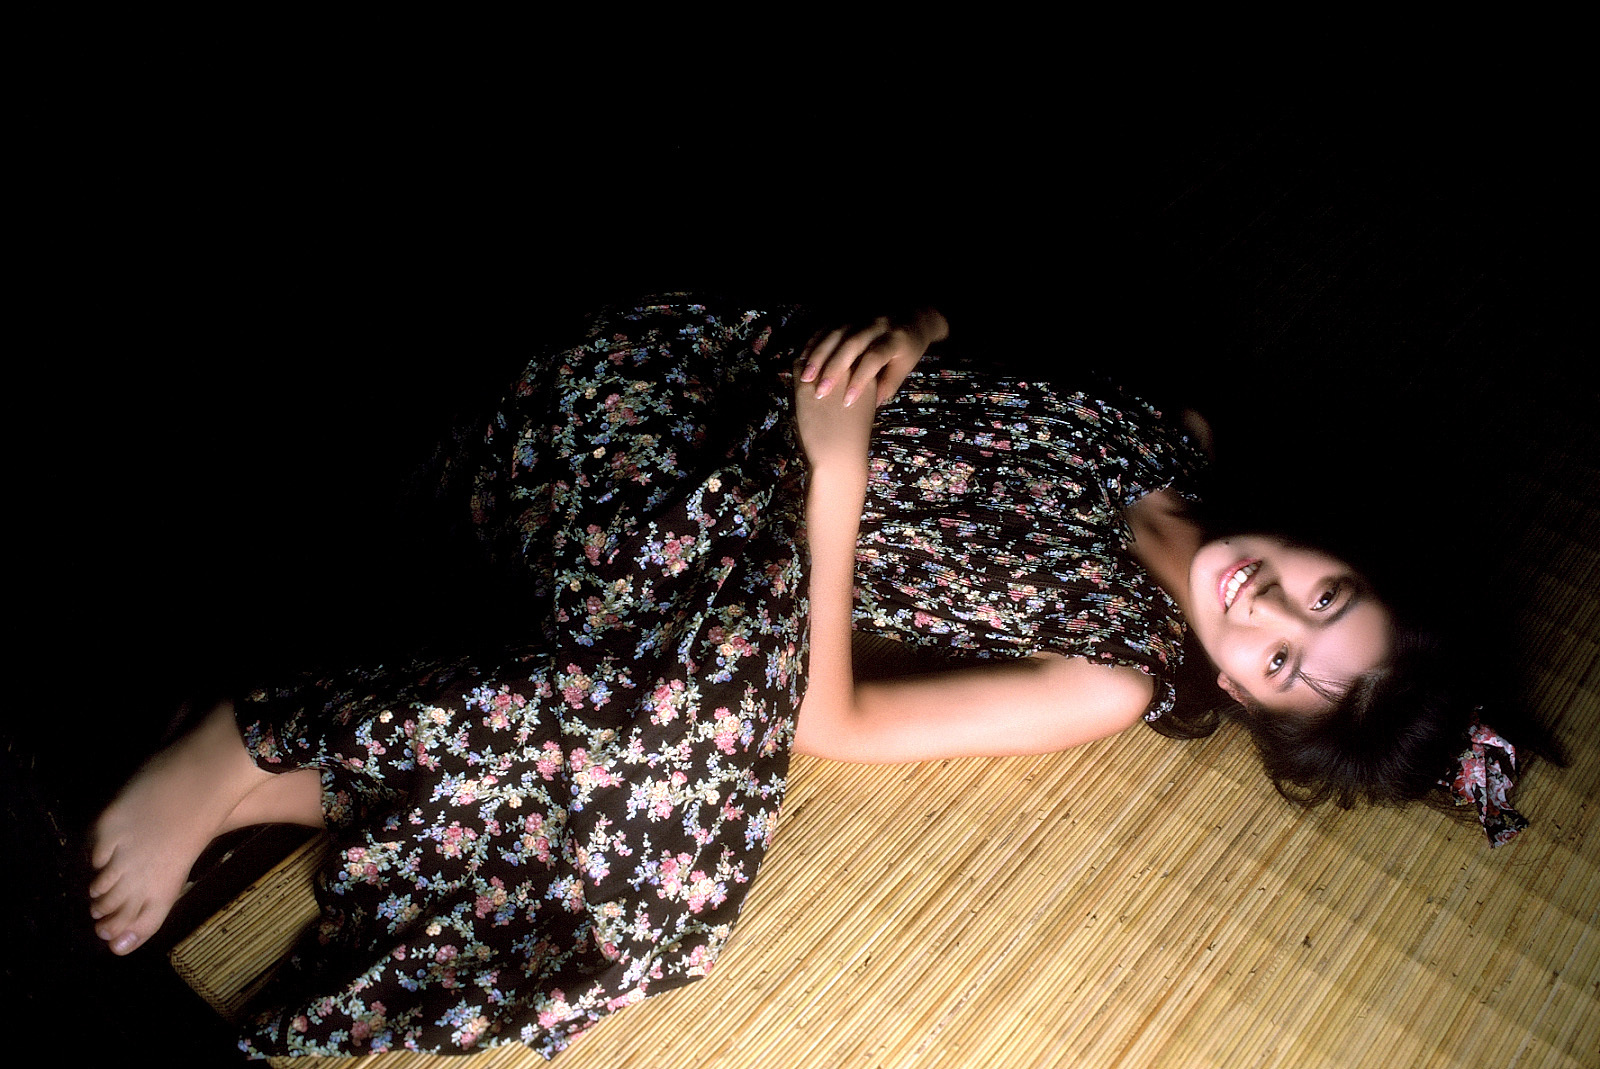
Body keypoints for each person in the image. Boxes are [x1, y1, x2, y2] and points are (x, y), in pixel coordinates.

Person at [86, 295, 1528, 1059]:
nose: (1267, 607)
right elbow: (973, 306)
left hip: (757, 537)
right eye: (1325, 595)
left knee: (683, 840)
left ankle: (276, 765)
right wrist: (914, 331)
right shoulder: (1177, 427)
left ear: (1253, 702)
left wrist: (835, 480)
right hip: (690, 395)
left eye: (1283, 664)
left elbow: (831, 716)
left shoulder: (1108, 676)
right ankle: (246, 745)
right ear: (1343, 546)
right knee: (681, 729)